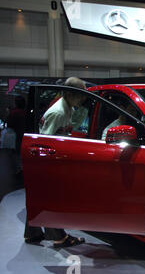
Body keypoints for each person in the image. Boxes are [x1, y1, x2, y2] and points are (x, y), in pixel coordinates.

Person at [25, 77, 87, 248]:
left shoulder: (68, 109)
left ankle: (32, 233)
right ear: (70, 93)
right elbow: (44, 142)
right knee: (50, 198)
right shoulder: (58, 112)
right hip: (46, 162)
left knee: (39, 197)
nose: (83, 99)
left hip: (50, 160)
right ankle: (59, 237)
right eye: (80, 95)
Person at [6, 96, 26, 174]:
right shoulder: (26, 112)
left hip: (15, 135)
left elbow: (9, 124)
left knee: (15, 152)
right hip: (24, 135)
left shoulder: (13, 113)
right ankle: (22, 167)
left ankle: (18, 167)